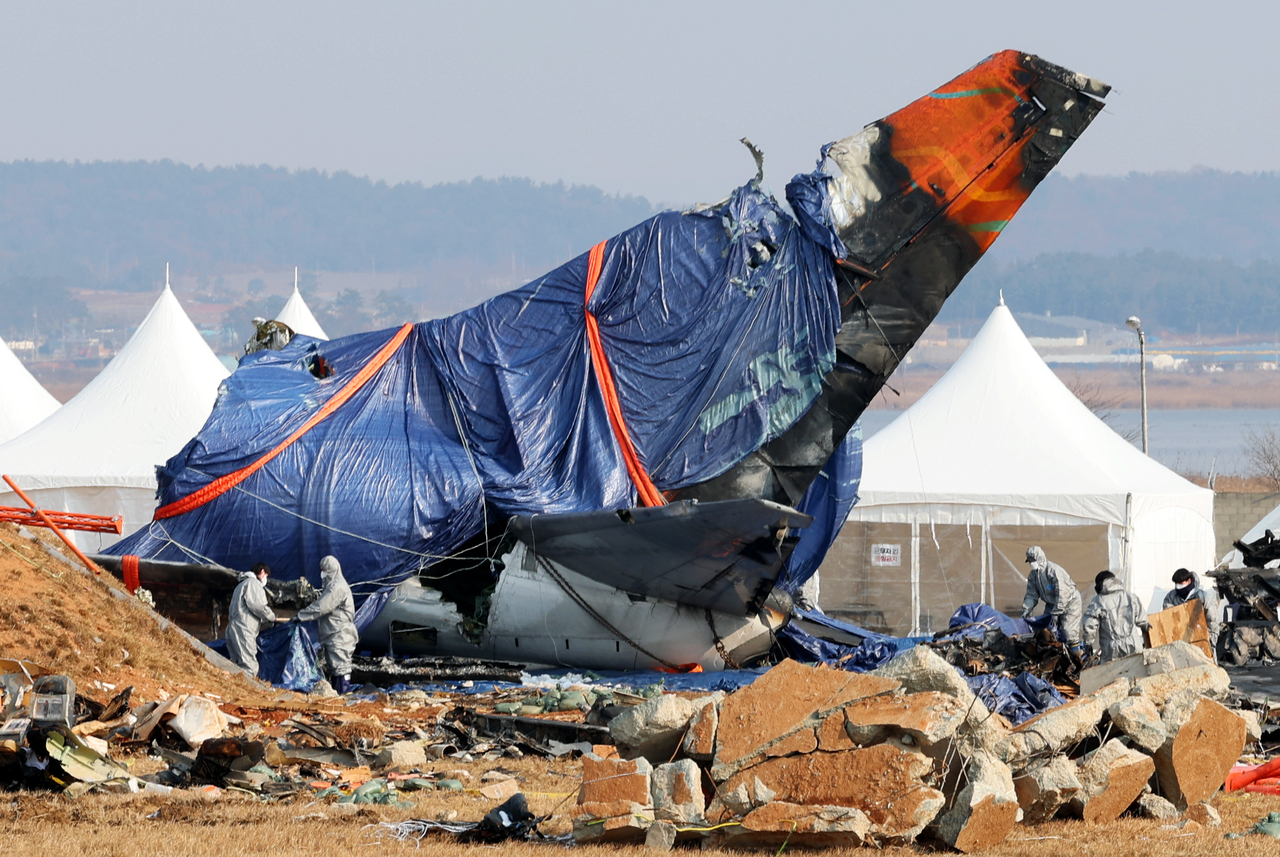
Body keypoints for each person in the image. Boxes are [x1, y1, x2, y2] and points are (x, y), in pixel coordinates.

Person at [296, 555, 358, 694]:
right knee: (334, 666)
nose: (323, 573)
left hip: (340, 633)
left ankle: (343, 693)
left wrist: (301, 616)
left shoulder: (337, 587)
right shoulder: (331, 586)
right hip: (332, 632)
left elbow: (323, 606)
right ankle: (338, 693)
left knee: (341, 665)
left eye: (325, 570)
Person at [1021, 545, 1085, 662]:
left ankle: (1077, 659)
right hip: (1052, 604)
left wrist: (1056, 613)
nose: (1031, 563)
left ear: (1039, 558)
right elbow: (1031, 594)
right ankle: (1056, 659)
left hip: (1070, 602)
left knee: (1068, 631)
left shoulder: (1054, 571)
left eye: (1032, 560)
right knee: (1048, 632)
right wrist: (1026, 608)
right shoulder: (1034, 575)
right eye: (1029, 561)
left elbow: (1062, 593)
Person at [1082, 571, 1147, 664]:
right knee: (1138, 673)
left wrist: (1088, 643)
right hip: (1133, 643)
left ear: (1100, 584)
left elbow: (1089, 625)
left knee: (1113, 676)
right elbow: (1143, 621)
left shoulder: (1098, 601)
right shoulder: (1129, 596)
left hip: (1111, 649)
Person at [226, 562, 276, 676]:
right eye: (266, 576)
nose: (266, 580)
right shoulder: (253, 583)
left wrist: (265, 621)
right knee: (250, 668)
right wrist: (272, 617)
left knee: (237, 665)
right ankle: (244, 692)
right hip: (244, 629)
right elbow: (258, 606)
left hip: (233, 628)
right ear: (262, 572)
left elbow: (247, 609)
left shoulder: (241, 585)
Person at [1162, 568, 1221, 650]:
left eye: (1180, 583)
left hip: (1200, 641)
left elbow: (1213, 621)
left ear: (1189, 581)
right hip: (1178, 643)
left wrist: (1210, 642)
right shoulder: (1171, 597)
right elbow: (1167, 616)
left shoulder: (1204, 597)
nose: (1178, 587)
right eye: (1176, 583)